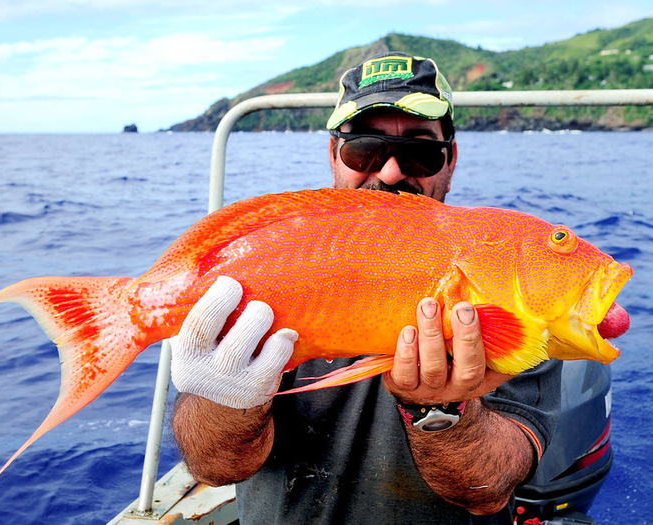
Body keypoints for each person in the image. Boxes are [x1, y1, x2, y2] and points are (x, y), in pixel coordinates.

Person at [170, 52, 562, 524]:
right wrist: (227, 401)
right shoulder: (269, 263)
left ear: (450, 160)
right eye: (364, 149)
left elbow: (487, 489)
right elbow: (214, 466)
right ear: (334, 155)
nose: (392, 172)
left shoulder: (506, 271)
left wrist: (441, 412)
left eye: (420, 150)